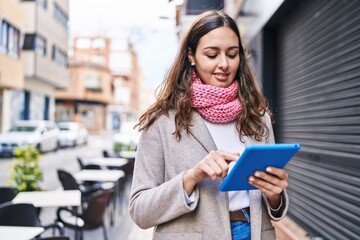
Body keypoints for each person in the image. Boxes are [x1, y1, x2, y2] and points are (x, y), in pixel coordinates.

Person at [129, 10, 289, 240]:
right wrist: (191, 177)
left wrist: (275, 195)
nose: (224, 64)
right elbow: (139, 211)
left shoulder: (257, 115)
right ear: (191, 56)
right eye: (212, 55)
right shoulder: (162, 121)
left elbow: (273, 206)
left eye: (232, 54)